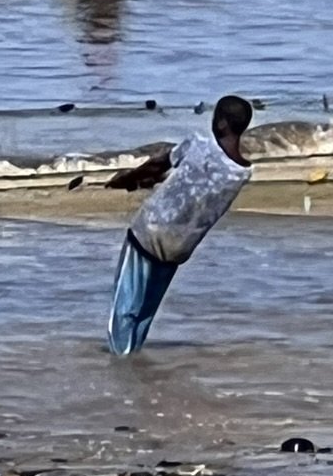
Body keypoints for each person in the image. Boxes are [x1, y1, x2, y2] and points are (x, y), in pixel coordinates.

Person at [104, 94, 255, 355]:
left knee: (125, 307)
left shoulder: (198, 145)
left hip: (148, 232)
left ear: (220, 123)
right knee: (145, 312)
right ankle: (133, 357)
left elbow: (157, 164)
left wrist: (126, 178)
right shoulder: (242, 172)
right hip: (179, 246)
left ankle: (121, 366)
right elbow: (200, 183)